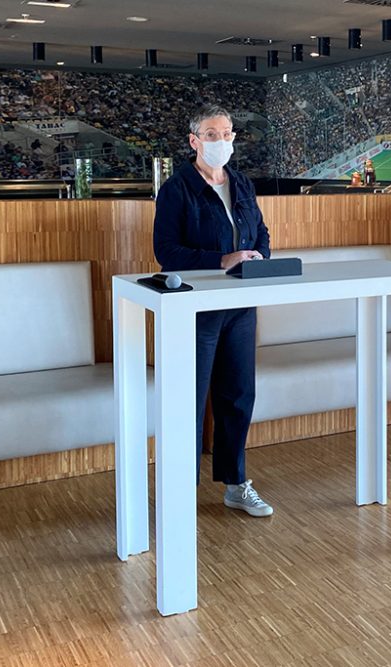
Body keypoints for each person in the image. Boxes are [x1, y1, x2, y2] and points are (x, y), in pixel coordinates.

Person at [153, 104, 274, 517]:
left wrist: (258, 258)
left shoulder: (241, 183)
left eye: (227, 134)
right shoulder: (177, 189)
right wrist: (223, 259)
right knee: (189, 398)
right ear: (194, 141)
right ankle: (178, 491)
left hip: (240, 305)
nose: (221, 141)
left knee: (238, 396)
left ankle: (236, 483)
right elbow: (166, 252)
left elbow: (260, 232)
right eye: (211, 134)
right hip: (195, 308)